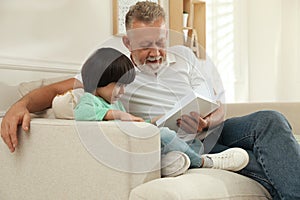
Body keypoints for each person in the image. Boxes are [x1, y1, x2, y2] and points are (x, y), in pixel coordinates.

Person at [1, 1, 299, 199]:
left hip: (210, 131)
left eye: (160, 41)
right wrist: (20, 105)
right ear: (128, 42)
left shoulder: (185, 58)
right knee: (268, 166)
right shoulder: (114, 73)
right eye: (145, 45)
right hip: (178, 142)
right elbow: (56, 91)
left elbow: (220, 108)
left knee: (269, 120)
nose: (155, 51)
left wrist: (206, 120)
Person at [74, 47, 249, 177]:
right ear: (100, 80)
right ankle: (205, 162)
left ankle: (174, 163)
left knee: (188, 141)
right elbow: (81, 114)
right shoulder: (90, 100)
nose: (123, 92)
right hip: (130, 150)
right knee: (164, 134)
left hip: (142, 144)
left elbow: (134, 125)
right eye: (119, 85)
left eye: (125, 86)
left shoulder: (115, 104)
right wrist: (118, 115)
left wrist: (156, 121)